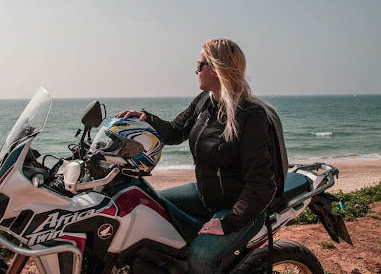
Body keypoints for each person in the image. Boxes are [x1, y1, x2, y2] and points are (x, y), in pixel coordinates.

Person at [116, 38, 277, 274]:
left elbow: (262, 182)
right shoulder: (204, 101)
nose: (196, 70)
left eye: (200, 64)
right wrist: (145, 119)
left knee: (200, 256)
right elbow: (175, 131)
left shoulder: (250, 115)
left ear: (216, 68)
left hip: (240, 206)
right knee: (148, 204)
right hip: (205, 194)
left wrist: (228, 222)